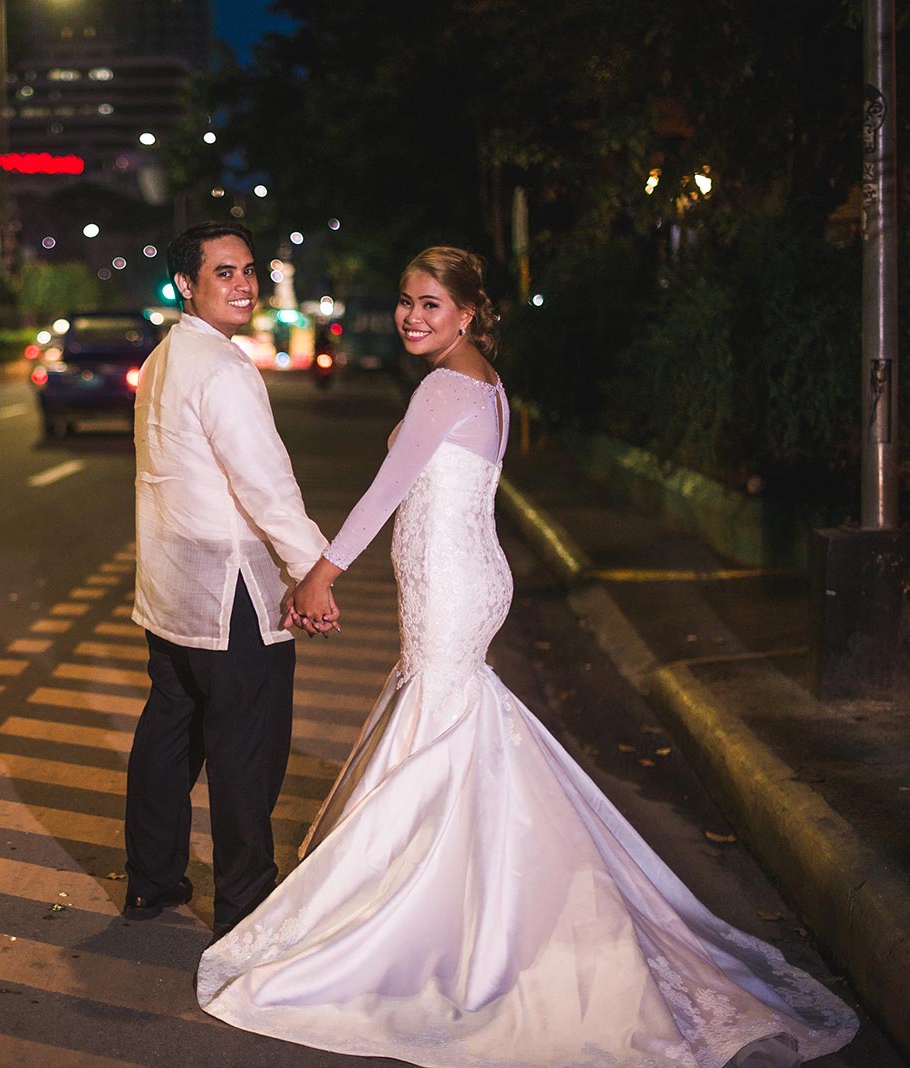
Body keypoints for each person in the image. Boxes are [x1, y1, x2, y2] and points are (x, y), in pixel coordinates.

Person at [197, 247, 859, 1066]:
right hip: (463, 576)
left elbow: (387, 489)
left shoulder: (448, 385)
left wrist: (320, 574)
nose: (412, 317)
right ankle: (464, 903)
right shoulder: (482, 378)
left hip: (452, 583)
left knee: (442, 733)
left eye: (431, 305)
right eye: (407, 301)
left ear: (468, 313)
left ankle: (439, 925)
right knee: (455, 731)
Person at [123, 220, 333, 944]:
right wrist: (313, 571)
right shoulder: (222, 368)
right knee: (245, 753)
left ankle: (152, 881)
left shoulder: (163, 359)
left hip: (174, 589)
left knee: (169, 736)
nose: (243, 284)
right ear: (188, 284)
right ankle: (245, 908)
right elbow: (267, 486)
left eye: (248, 270)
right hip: (233, 593)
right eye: (224, 272)